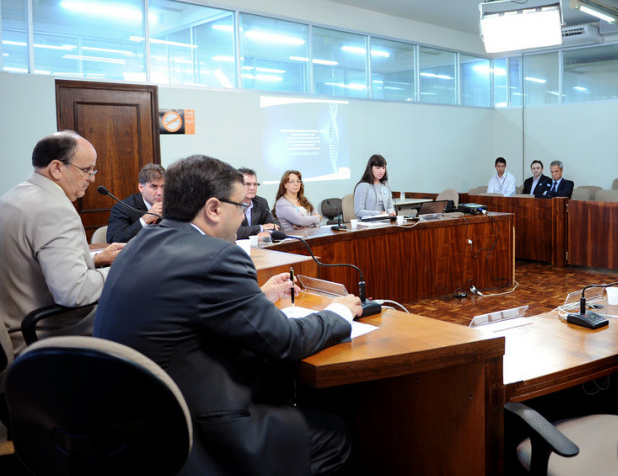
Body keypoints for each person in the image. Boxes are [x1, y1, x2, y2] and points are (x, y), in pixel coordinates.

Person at [93, 154, 362, 476]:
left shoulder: (138, 244)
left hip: (133, 422)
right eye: (239, 206)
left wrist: (254, 299)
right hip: (196, 427)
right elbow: (285, 341)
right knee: (333, 433)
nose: (242, 217)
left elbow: (184, 308)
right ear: (214, 208)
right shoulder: (217, 256)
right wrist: (339, 311)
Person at [0, 131, 123, 354]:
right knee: (136, 313)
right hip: (45, 335)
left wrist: (96, 258)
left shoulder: (11, 198)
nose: (92, 178)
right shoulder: (54, 209)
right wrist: (128, 267)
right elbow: (75, 293)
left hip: (12, 326)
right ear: (57, 168)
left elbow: (32, 259)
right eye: (87, 170)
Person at [106, 163, 166, 243]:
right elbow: (114, 239)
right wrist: (145, 219)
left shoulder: (172, 205)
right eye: (154, 186)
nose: (160, 193)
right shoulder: (122, 208)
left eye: (163, 187)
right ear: (141, 187)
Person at [235, 167, 280, 239]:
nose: (252, 188)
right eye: (248, 184)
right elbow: (237, 232)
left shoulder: (260, 202)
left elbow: (276, 225)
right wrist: (261, 228)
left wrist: (268, 232)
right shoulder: (230, 204)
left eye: (255, 184)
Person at [353, 154, 396, 219]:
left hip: (384, 222)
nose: (381, 171)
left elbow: (390, 207)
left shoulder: (385, 185)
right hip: (367, 224)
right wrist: (378, 214)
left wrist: (391, 212)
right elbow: (358, 211)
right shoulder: (362, 186)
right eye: (378, 168)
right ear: (370, 169)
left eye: (383, 168)